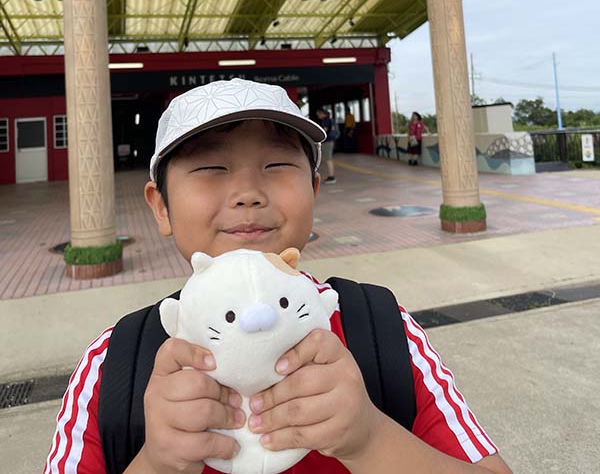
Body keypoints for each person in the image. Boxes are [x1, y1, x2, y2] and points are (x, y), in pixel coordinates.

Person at [44, 79, 511, 474]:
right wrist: (156, 463)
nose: (248, 193)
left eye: (277, 165)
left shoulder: (382, 327)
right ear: (161, 206)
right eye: (210, 167)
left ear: (313, 190)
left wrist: (369, 438)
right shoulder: (115, 360)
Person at [315, 106, 337, 184]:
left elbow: (324, 131)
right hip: (329, 141)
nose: (318, 116)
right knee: (326, 159)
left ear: (322, 114)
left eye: (318, 114)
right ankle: (329, 176)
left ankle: (331, 177)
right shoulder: (328, 119)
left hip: (327, 142)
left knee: (328, 159)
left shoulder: (326, 121)